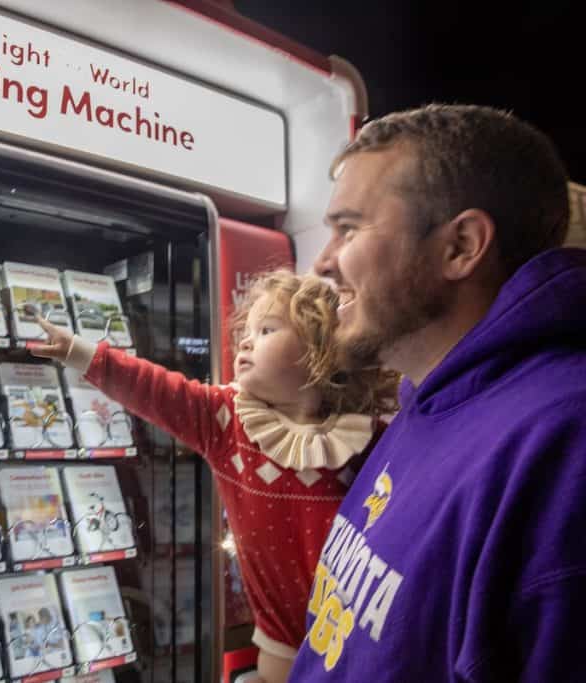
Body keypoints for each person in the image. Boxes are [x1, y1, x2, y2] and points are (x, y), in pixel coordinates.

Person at [287, 104, 586, 681]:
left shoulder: (564, 445)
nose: (323, 262)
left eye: (348, 228)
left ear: (461, 246)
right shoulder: (428, 397)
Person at [35, 271, 397, 683]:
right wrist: (81, 353)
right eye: (247, 330)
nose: (245, 341)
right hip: (283, 647)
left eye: (266, 329)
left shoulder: (368, 441)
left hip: (358, 640)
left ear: (320, 351)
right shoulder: (226, 421)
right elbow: (154, 389)